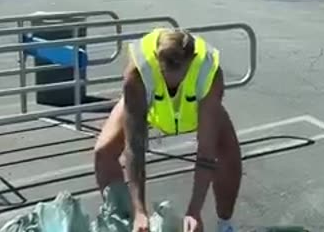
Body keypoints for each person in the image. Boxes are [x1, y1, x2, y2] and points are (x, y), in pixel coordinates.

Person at [93, 27, 243, 232]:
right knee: (104, 152)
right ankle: (127, 222)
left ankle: (225, 224)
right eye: (165, 75)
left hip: (194, 112)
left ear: (192, 59)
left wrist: (194, 211)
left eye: (179, 77)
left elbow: (206, 151)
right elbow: (134, 146)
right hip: (151, 109)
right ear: (157, 59)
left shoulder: (209, 71)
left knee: (229, 156)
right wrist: (139, 209)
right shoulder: (137, 73)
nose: (172, 84)